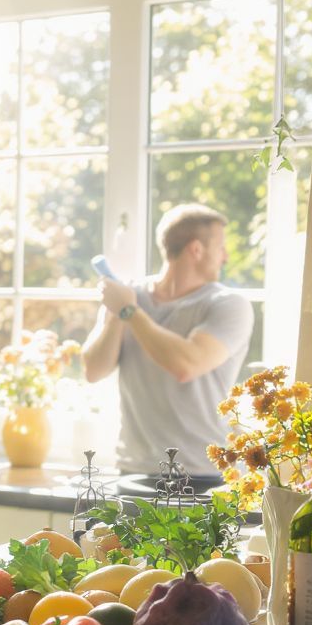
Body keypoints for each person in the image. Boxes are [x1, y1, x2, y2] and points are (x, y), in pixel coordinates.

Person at [81, 204, 254, 478]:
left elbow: (186, 365)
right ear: (196, 249)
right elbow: (93, 370)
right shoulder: (127, 296)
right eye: (221, 247)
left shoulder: (229, 304)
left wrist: (129, 312)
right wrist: (117, 315)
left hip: (207, 472)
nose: (226, 256)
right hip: (136, 469)